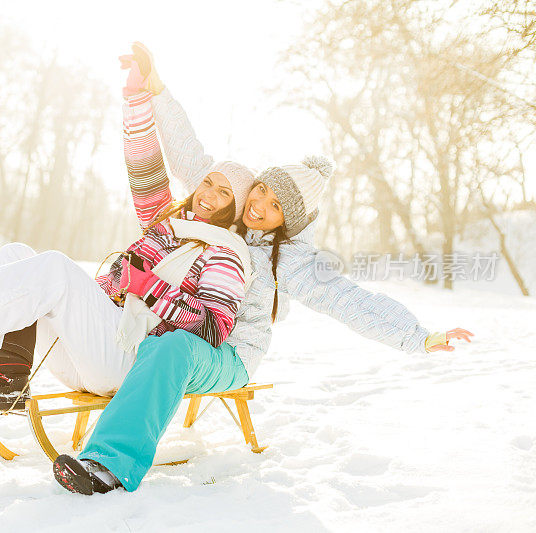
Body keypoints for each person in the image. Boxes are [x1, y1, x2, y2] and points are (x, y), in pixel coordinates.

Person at [50, 43, 473, 495]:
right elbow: (185, 150)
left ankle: (108, 466)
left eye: (275, 208)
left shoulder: (290, 260)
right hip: (175, 324)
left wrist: (417, 336)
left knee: (172, 347)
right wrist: (156, 88)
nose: (259, 207)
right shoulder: (230, 204)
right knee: (152, 335)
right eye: (263, 192)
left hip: (228, 354)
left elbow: (351, 301)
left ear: (287, 222)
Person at [0, 70, 258, 415]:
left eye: (225, 193)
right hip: (89, 349)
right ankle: (7, 375)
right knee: (15, 254)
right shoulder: (166, 224)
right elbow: (142, 162)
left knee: (55, 269)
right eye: (208, 182)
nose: (209, 194)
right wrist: (136, 97)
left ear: (234, 210)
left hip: (129, 359)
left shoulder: (224, 253)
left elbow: (213, 327)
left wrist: (146, 288)